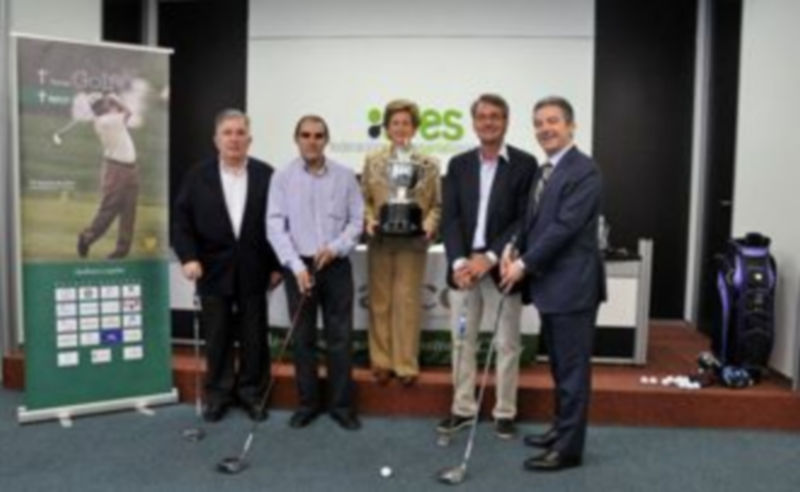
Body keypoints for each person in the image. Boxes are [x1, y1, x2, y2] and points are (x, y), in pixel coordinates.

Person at [500, 96, 606, 471]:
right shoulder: (545, 170)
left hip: (573, 288)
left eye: (553, 121)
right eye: (539, 123)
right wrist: (514, 247)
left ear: (571, 126)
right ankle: (561, 430)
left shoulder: (584, 171)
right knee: (560, 368)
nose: (545, 129)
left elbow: (564, 228)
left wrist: (524, 265)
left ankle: (569, 450)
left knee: (573, 373)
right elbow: (533, 222)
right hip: (552, 288)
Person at [438, 94, 538, 439]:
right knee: (461, 341)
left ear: (506, 121)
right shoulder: (458, 164)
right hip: (464, 271)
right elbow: (450, 218)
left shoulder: (525, 164)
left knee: (507, 343)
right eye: (482, 117)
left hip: (502, 268)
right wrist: (459, 261)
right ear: (474, 123)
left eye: (495, 116)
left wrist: (491, 257)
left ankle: (505, 411)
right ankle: (463, 409)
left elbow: (524, 220)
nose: (488, 122)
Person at [172, 109, 282, 422]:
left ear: (250, 139)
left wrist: (276, 264)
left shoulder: (266, 175)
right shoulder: (197, 176)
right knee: (217, 336)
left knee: (254, 336)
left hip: (254, 268)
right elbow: (181, 222)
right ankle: (218, 395)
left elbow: (279, 223)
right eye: (227, 133)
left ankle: (251, 394)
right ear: (216, 139)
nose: (234, 139)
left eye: (240, 133)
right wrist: (188, 257)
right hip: (211, 269)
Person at [267, 115, 364, 430]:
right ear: (297, 139)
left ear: (326, 140)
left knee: (340, 337)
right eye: (306, 135)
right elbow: (275, 226)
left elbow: (357, 221)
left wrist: (336, 247)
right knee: (303, 338)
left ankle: (341, 406)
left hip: (335, 265)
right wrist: (296, 266)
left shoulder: (345, 176)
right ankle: (307, 404)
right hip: (299, 267)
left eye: (318, 136)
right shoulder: (282, 177)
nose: (312, 141)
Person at [361, 99, 441, 386]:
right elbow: (364, 199)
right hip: (381, 240)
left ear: (415, 128)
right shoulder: (373, 161)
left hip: (413, 242)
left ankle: (405, 364)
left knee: (407, 302)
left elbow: (437, 205)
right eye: (395, 123)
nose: (400, 128)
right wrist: (369, 219)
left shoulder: (429, 164)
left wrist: (428, 225)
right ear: (386, 128)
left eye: (406, 123)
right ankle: (381, 361)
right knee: (380, 302)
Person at [77, 93, 139, 259]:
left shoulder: (109, 119)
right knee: (109, 209)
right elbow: (128, 112)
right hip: (117, 170)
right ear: (100, 107)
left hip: (130, 169)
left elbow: (121, 113)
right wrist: (115, 98)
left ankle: (121, 251)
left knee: (129, 211)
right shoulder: (106, 121)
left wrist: (112, 101)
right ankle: (87, 237)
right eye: (103, 102)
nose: (106, 104)